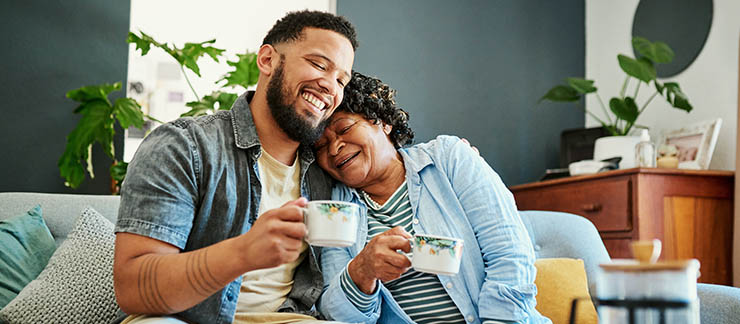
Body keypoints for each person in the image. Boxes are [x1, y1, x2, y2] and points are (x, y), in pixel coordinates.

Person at [112, 10, 357, 324]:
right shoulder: (184, 146)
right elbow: (133, 288)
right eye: (318, 64)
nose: (330, 87)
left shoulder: (327, 168)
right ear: (268, 60)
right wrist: (242, 253)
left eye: (341, 80)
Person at [314, 72, 551, 324]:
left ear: (383, 122)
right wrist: (362, 271)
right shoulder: (334, 208)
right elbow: (336, 314)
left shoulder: (449, 159)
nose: (333, 148)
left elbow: (509, 253)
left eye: (345, 129)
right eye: (320, 145)